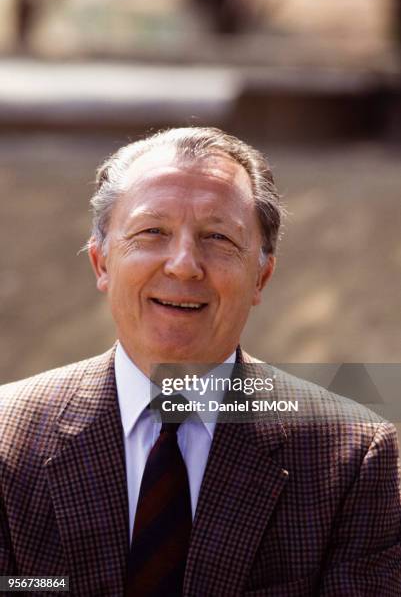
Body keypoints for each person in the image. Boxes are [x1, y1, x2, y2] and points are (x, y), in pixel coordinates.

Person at [0, 127, 400, 596]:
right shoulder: (8, 439)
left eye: (218, 237)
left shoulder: (351, 458)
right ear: (102, 263)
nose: (184, 264)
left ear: (261, 276)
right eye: (153, 232)